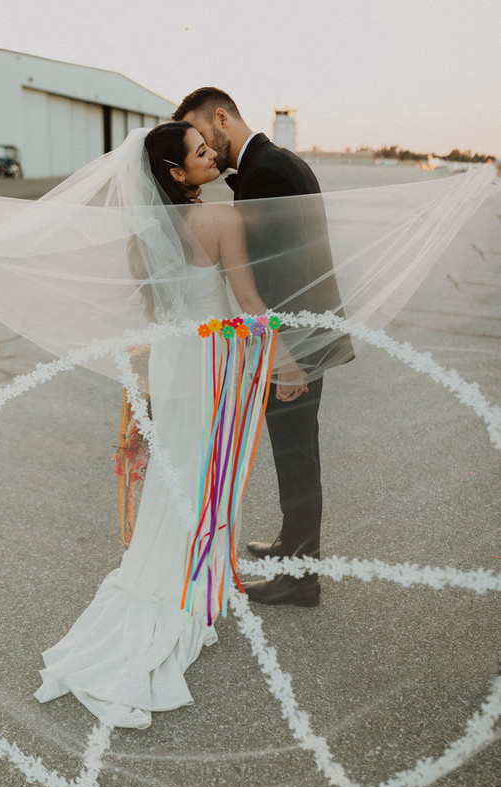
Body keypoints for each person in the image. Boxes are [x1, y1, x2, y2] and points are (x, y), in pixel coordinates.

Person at [33, 122, 304, 727]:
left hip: (177, 359)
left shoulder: (145, 235)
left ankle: (183, 580)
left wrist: (149, 389)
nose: (214, 158)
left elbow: (157, 311)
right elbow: (248, 304)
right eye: (201, 154)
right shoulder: (220, 222)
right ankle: (189, 596)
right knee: (208, 471)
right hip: (213, 363)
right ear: (177, 175)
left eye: (210, 149)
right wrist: (286, 361)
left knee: (178, 472)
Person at [173, 88, 355, 607]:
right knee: (294, 452)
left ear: (222, 118)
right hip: (302, 333)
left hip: (292, 343)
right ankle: (289, 547)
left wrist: (286, 357)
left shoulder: (266, 175)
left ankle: (301, 580)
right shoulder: (278, 162)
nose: (202, 147)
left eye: (201, 134)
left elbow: (283, 276)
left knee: (297, 457)